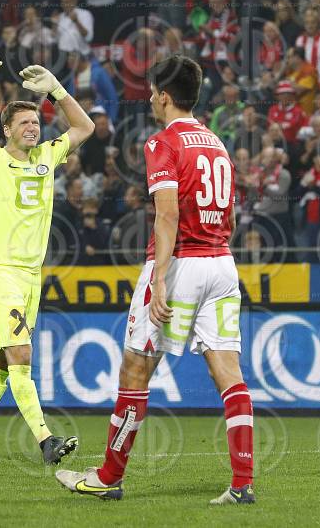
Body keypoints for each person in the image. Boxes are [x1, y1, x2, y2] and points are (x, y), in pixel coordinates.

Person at [56, 56, 255, 505]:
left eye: (151, 91)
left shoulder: (162, 143)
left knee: (136, 368)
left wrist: (161, 279)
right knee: (230, 375)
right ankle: (242, 485)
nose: (149, 97)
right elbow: (231, 216)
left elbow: (167, 215)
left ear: (164, 96)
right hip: (222, 263)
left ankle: (108, 477)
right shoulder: (217, 143)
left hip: (181, 262)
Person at [0, 59, 94, 463]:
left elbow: (85, 128)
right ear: (7, 130)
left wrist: (56, 91)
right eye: (24, 124)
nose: (33, 127)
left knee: (1, 357)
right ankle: (46, 440)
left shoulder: (49, 155)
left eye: (36, 122)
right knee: (21, 355)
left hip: (31, 276)